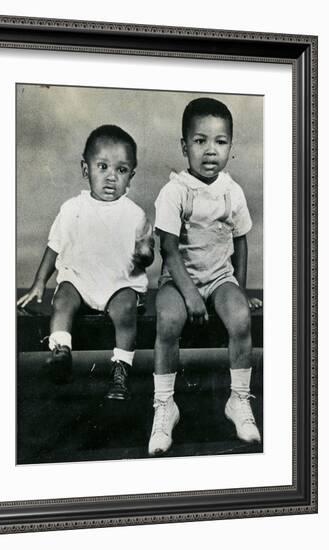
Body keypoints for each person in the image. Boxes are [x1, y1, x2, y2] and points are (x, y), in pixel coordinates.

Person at [148, 97, 263, 456]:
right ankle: (165, 405)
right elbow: (168, 249)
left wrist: (239, 290)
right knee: (168, 320)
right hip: (178, 281)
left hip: (218, 278)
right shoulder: (175, 191)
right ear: (185, 146)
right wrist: (190, 295)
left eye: (220, 141)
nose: (210, 151)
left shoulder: (232, 191)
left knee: (241, 317)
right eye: (200, 141)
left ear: (230, 145)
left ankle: (238, 399)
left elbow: (240, 241)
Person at [17, 124, 154, 400]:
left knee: (127, 307)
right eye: (102, 166)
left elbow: (146, 256)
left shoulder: (135, 214)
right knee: (63, 298)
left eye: (121, 170)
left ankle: (120, 371)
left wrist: (146, 253)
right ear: (85, 169)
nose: (111, 177)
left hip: (118, 284)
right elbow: (54, 247)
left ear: (131, 177)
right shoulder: (72, 209)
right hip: (81, 281)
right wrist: (38, 284)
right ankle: (61, 351)